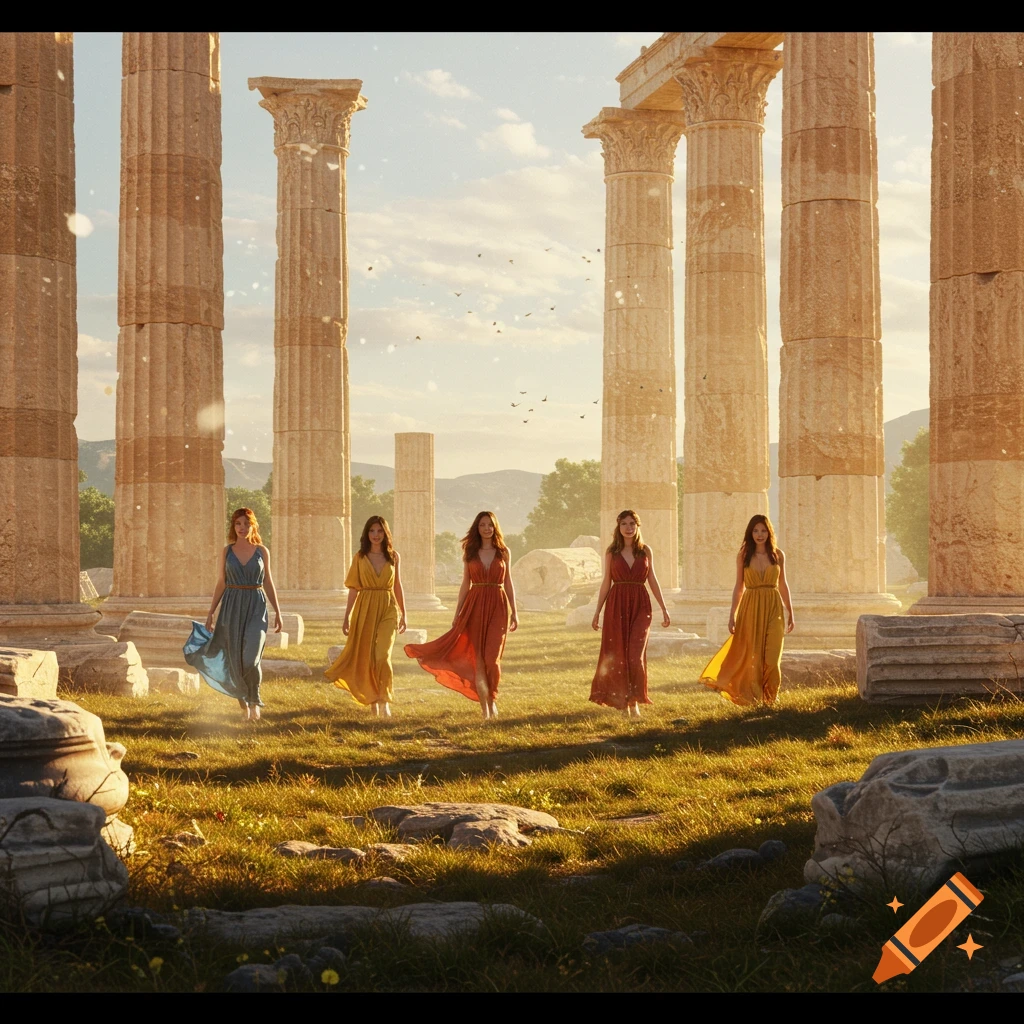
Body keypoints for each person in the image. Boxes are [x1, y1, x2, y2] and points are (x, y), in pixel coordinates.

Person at [404, 510, 518, 720]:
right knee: (478, 659)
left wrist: (514, 611)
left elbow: (508, 582)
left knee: (492, 658)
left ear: (495, 527)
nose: (486, 528)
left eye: (490, 525)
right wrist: (458, 612)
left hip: (497, 605)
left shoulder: (504, 551)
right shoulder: (470, 551)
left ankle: (492, 697)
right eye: (482, 525)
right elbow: (465, 583)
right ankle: (486, 707)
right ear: (477, 527)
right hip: (474, 606)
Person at [185, 507, 282, 722]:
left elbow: (268, 581)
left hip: (256, 605)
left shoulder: (262, 551)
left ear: (253, 526)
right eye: (238, 524)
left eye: (246, 524)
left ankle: (254, 700)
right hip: (231, 606)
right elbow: (222, 582)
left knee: (251, 657)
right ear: (233, 526)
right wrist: (211, 612)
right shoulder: (226, 551)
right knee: (234, 659)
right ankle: (245, 704)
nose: (242, 528)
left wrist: (277, 611)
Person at [700, 513, 795, 707]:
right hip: (750, 607)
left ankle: (771, 699)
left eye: (763, 530)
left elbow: (783, 584)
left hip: (773, 606)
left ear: (769, 532)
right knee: (753, 656)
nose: (759, 534)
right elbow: (739, 586)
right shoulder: (744, 556)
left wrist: (791, 611)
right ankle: (755, 699)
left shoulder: (778, 555)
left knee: (772, 658)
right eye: (755, 530)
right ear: (750, 533)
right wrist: (732, 614)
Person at [589, 509, 670, 718]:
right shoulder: (612, 552)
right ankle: (624, 702)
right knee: (618, 654)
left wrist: (664, 607)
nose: (628, 527)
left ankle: (635, 700)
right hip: (616, 604)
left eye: (632, 523)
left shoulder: (645, 551)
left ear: (638, 526)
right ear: (618, 527)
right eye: (624, 523)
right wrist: (597, 611)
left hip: (641, 605)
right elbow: (606, 581)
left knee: (635, 655)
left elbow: (652, 579)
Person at [325, 516, 407, 716]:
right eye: (372, 531)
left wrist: (404, 613)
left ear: (385, 533)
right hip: (365, 607)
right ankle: (373, 699)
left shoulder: (393, 556)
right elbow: (354, 588)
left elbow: (397, 585)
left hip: (388, 607)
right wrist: (346, 616)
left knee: (383, 654)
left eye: (379, 531)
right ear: (366, 534)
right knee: (368, 656)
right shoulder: (360, 557)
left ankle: (384, 699)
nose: (376, 535)